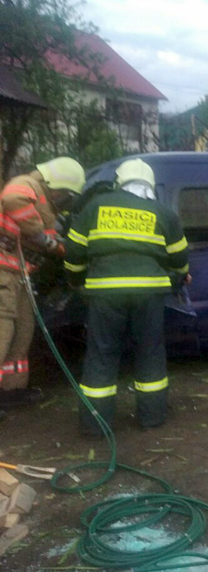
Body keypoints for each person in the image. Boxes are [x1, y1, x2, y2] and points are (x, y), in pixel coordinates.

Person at [64, 159, 189, 435]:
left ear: (119, 181)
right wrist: (179, 277)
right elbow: (180, 257)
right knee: (150, 351)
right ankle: (152, 417)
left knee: (101, 354)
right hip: (149, 293)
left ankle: (96, 425)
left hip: (105, 294)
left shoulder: (96, 206)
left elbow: (73, 253)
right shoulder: (161, 211)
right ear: (149, 183)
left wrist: (76, 281)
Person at [0, 157, 85, 414]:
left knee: (23, 330)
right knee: (2, 330)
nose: (65, 198)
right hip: (3, 272)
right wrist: (44, 239)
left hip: (20, 274)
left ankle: (11, 390)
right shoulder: (27, 184)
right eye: (66, 193)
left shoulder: (46, 202)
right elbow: (13, 200)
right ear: (57, 185)